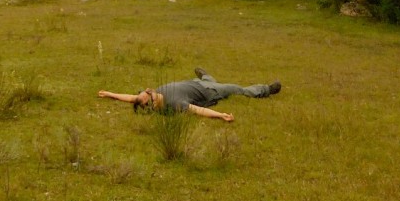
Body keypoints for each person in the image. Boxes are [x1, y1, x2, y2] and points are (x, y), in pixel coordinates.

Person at [97, 67, 281, 122]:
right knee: (238, 89)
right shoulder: (175, 104)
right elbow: (199, 111)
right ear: (153, 104)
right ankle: (266, 89)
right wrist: (221, 115)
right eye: (149, 95)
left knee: (208, 80)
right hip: (210, 92)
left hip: (194, 83)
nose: (149, 91)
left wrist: (109, 93)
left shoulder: (148, 97)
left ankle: (205, 75)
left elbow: (131, 98)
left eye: (147, 91)